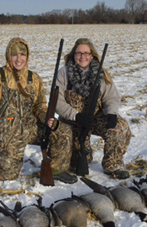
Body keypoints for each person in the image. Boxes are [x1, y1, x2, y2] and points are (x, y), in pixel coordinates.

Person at [0, 37, 77, 184]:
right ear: (8, 56)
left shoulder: (34, 78)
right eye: (15, 54)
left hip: (30, 127)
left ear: (27, 56)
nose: (19, 59)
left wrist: (47, 118)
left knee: (63, 131)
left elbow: (40, 106)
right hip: (8, 130)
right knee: (7, 175)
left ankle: (56, 170)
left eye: (22, 54)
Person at [55, 38, 131, 179]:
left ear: (92, 55)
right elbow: (57, 102)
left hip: (94, 118)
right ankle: (82, 156)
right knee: (78, 162)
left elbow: (111, 97)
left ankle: (113, 165)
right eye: (78, 53)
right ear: (73, 55)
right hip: (73, 120)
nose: (82, 57)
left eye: (86, 53)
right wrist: (76, 116)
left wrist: (111, 113)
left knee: (120, 126)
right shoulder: (64, 73)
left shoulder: (101, 73)